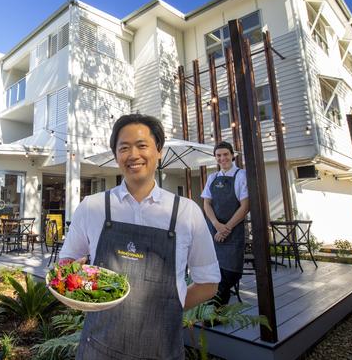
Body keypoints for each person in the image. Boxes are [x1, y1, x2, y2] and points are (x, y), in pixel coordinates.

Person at [59, 114, 220, 359]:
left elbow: (208, 283)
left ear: (159, 152)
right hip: (98, 349)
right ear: (116, 156)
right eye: (124, 148)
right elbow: (66, 265)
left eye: (142, 145)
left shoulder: (186, 212)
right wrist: (83, 285)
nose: (133, 155)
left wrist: (168, 307)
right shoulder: (92, 207)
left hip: (162, 350)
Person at [201, 141, 249, 307]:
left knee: (230, 273)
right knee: (214, 273)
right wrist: (216, 225)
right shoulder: (212, 178)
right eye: (218, 155)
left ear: (232, 155)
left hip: (233, 233)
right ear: (215, 158)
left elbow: (245, 206)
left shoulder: (241, 176)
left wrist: (226, 228)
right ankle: (213, 313)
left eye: (225, 154)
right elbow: (206, 204)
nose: (222, 158)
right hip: (214, 233)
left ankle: (212, 311)